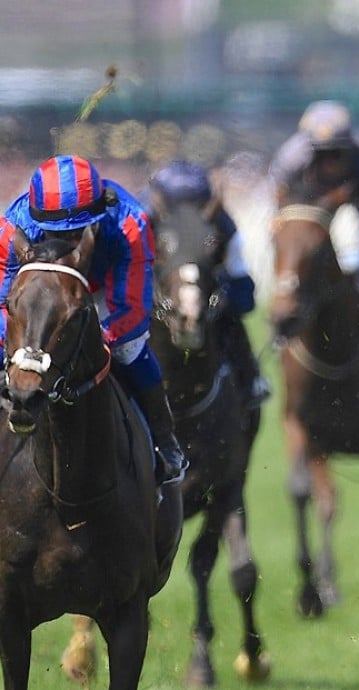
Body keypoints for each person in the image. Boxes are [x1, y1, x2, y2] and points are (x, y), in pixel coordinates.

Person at [0, 155, 186, 483]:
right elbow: (4, 301)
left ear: (99, 217)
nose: (68, 245)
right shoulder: (13, 228)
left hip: (103, 289)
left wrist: (86, 339)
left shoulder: (130, 225)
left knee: (131, 350)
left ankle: (163, 440)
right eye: (56, 234)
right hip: (42, 292)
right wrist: (17, 346)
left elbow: (133, 311)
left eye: (75, 234)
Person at [269, 100, 359, 339]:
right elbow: (279, 201)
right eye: (322, 154)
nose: (330, 163)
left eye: (337, 153)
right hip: (314, 203)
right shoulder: (292, 160)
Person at [146, 160, 271, 408]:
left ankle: (249, 379)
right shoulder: (144, 218)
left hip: (208, 297)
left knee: (232, 322)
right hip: (156, 295)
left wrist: (222, 296)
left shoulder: (224, 225)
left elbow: (244, 295)